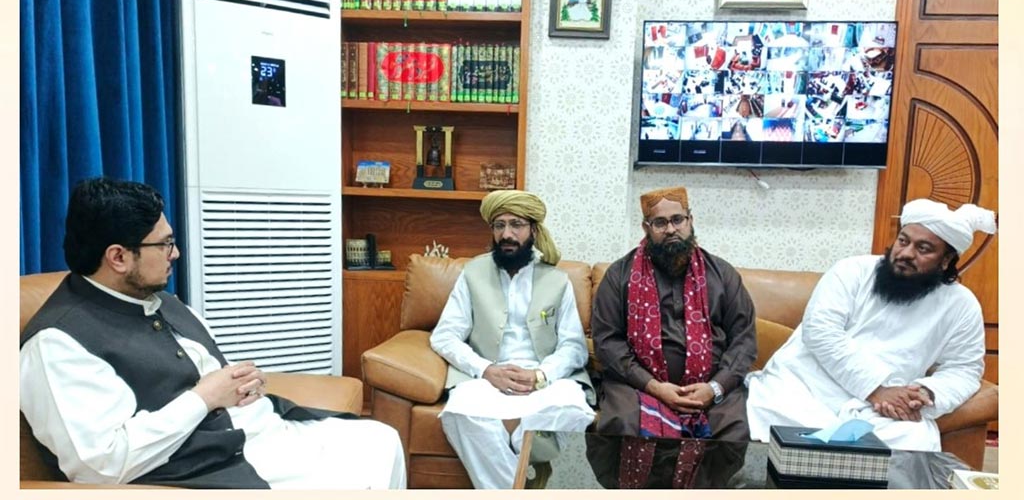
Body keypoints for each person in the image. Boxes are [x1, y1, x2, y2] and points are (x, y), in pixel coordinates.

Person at [20, 178, 406, 489]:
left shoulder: (158, 300)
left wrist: (241, 384)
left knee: (381, 440)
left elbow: (201, 375)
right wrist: (205, 397)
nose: (175, 254)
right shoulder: (57, 344)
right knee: (358, 476)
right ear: (118, 257)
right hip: (209, 466)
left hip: (255, 430)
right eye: (165, 243)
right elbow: (101, 465)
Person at [745, 198, 997, 451]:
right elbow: (821, 331)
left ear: (945, 260)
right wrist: (875, 388)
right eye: (903, 240)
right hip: (808, 386)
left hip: (883, 409)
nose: (906, 253)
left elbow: (964, 368)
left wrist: (925, 394)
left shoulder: (962, 305)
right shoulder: (852, 270)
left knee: (913, 440)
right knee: (784, 423)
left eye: (923, 248)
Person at [589, 186, 757, 488]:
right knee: (623, 424)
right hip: (638, 385)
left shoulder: (723, 274)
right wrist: (654, 386)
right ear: (646, 227)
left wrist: (714, 388)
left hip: (711, 386)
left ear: (690, 220)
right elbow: (607, 342)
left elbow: (744, 340)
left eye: (677, 220)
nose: (671, 229)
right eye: (660, 223)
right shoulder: (619, 275)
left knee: (731, 431)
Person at [430, 190, 595, 489]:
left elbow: (574, 346)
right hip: (486, 378)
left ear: (533, 229)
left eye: (516, 224)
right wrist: (485, 369)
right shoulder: (473, 273)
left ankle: (508, 471)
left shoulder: (557, 280)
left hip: (545, 380)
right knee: (459, 413)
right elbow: (445, 335)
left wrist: (540, 376)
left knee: (574, 409)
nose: (507, 234)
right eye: (499, 225)